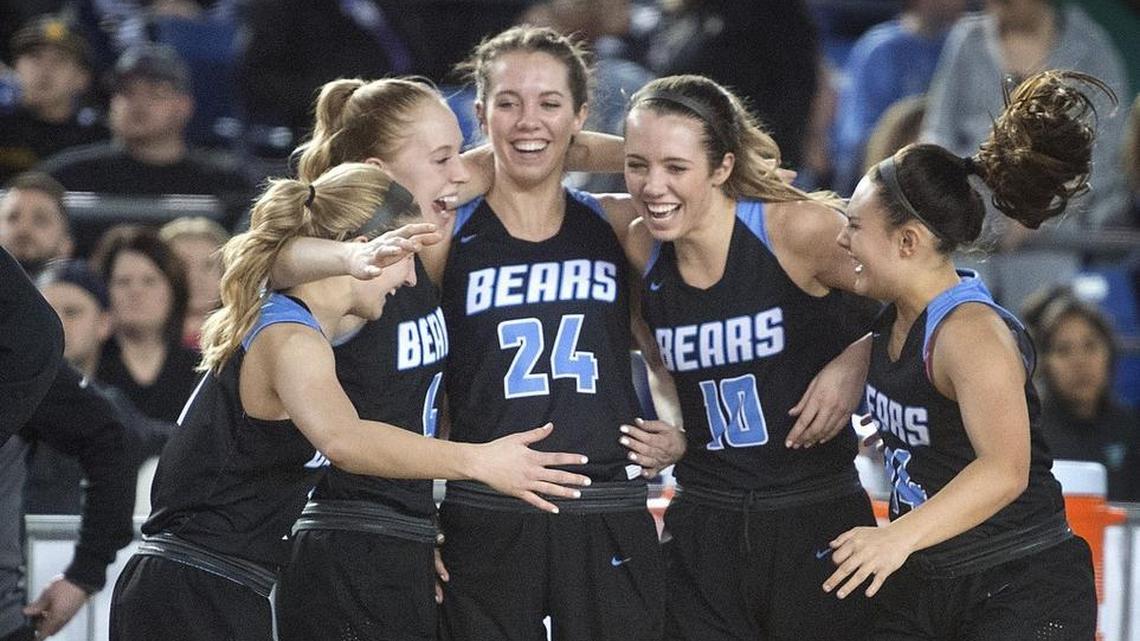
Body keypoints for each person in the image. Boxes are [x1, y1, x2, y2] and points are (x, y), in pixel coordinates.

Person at [108, 162, 591, 641]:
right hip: (193, 587)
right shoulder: (291, 336)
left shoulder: (284, 313)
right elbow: (346, 440)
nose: (408, 280)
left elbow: (270, 255)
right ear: (368, 249)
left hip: (211, 583)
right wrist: (480, 460)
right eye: (405, 258)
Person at [827, 70, 1105, 639]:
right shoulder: (893, 316)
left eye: (855, 227)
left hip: (1018, 581)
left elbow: (1006, 470)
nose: (842, 240)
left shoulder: (969, 333)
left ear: (907, 243)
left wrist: (896, 536)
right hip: (931, 577)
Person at [617, 74, 881, 641]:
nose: (653, 186)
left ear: (721, 167)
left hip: (813, 513)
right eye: (636, 165)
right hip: (702, 521)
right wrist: (677, 429)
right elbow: (662, 366)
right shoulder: (640, 245)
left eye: (676, 167)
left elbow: (929, 296)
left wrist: (857, 362)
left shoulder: (796, 229)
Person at [271, 77, 475, 641]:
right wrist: (348, 257)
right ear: (380, 173)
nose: (460, 171)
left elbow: (510, 158)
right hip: (340, 541)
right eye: (442, 158)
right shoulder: (340, 275)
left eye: (460, 151)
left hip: (396, 538)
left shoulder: (406, 261)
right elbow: (269, 260)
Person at [920, 0, 1129, 229]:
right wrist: (951, 196)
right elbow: (937, 131)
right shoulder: (967, 40)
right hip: (969, 214)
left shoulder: (1090, 46)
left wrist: (1043, 209)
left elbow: (1106, 150)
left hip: (1059, 228)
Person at [38, 43, 253, 228]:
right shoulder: (67, 177)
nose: (138, 103)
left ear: (184, 106)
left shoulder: (226, 184)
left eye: (155, 93)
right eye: (127, 92)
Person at [1033, 294, 1139, 502]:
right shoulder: (1030, 433)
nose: (1079, 362)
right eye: (1063, 350)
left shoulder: (1131, 426)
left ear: (1110, 352)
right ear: (1045, 363)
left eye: (1090, 346)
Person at [89, 225, 199, 423]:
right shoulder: (89, 369)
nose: (136, 292)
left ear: (173, 291)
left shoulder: (201, 372)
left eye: (149, 281)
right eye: (123, 282)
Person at [0, 14, 109, 182]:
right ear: (15, 66)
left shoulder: (99, 139)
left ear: (82, 78)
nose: (44, 70)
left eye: (59, 60)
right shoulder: (4, 128)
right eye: (34, 56)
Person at [159, 217, 229, 348]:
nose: (195, 277)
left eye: (208, 265)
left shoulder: (247, 338)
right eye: (183, 266)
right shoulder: (135, 338)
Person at [0, 171, 73, 276]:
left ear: (65, 244)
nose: (23, 228)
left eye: (40, 220)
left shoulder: (78, 281)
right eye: (12, 217)